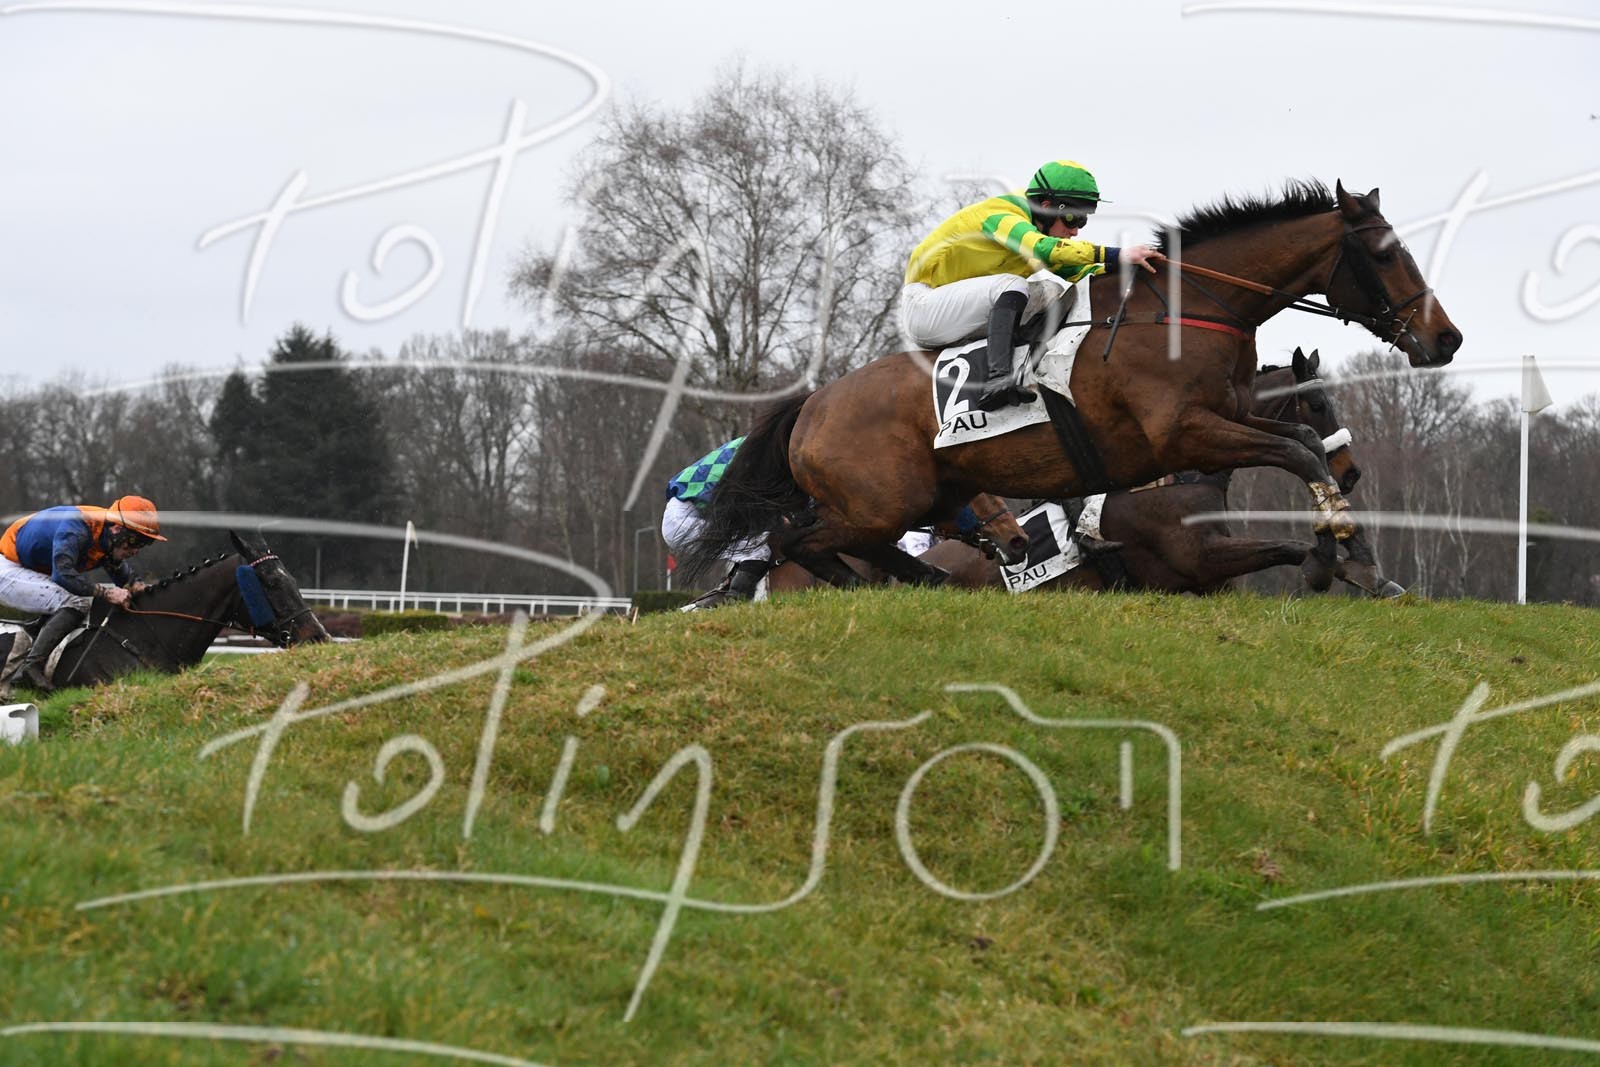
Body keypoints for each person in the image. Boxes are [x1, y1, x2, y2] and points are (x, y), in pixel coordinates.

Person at [900, 160, 1161, 410]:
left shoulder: (1037, 232)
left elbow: (1078, 272)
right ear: (1046, 207)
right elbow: (1044, 248)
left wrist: (1128, 269)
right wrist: (1116, 254)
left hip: (961, 313)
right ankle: (997, 381)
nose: (1075, 231)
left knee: (1051, 292)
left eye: (1083, 221)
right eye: (1072, 218)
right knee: (1012, 285)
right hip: (924, 308)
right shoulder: (1001, 216)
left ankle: (1032, 369)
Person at [0, 495, 166, 692]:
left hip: (32, 568)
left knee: (81, 599)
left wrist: (140, 586)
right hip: (9, 567)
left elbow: (126, 579)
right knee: (77, 602)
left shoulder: (107, 536)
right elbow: (63, 575)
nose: (135, 550)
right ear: (117, 529)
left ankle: (35, 649)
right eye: (134, 541)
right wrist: (106, 593)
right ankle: (30, 667)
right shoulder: (77, 528)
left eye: (143, 544)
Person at [662, 437, 772, 611]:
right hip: (680, 521)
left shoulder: (746, 448)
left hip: (681, 516)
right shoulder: (746, 456)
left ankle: (710, 604)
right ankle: (734, 603)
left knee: (754, 546)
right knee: (757, 549)